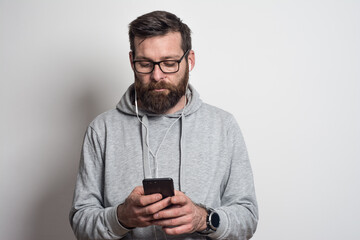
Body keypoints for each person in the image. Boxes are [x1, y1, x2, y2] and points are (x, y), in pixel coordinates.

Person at [69, 10, 258, 240]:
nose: (157, 75)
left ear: (190, 61)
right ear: (132, 61)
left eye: (169, 63)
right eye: (145, 64)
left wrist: (203, 218)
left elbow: (247, 217)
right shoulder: (102, 130)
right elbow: (80, 222)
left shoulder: (223, 126)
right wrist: (121, 218)